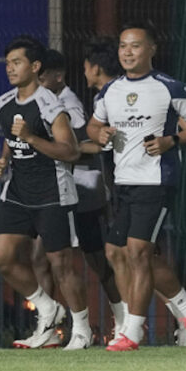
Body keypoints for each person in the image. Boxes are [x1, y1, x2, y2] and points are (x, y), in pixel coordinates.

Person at [87, 21, 186, 351]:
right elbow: (94, 124)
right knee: (117, 251)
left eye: (136, 46)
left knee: (140, 252)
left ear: (152, 50)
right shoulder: (110, 90)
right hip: (124, 183)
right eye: (123, 46)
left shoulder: (171, 87)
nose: (128, 52)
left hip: (156, 180)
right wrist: (98, 134)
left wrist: (173, 140)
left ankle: (132, 331)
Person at [0, 36, 89, 350]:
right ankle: (48, 309)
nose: (10, 68)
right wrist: (4, 158)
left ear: (35, 67)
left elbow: (70, 152)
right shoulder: (5, 102)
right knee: (1, 256)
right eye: (7, 63)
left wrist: (31, 137)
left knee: (60, 264)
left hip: (52, 191)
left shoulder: (50, 105)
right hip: (18, 190)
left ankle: (82, 330)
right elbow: (11, 135)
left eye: (16, 62)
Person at [34, 48, 124, 337]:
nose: (36, 79)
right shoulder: (40, 101)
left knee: (97, 259)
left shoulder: (69, 105)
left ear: (56, 76)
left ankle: (123, 322)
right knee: (42, 258)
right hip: (58, 191)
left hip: (82, 191)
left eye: (41, 75)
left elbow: (82, 146)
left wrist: (59, 149)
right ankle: (48, 326)